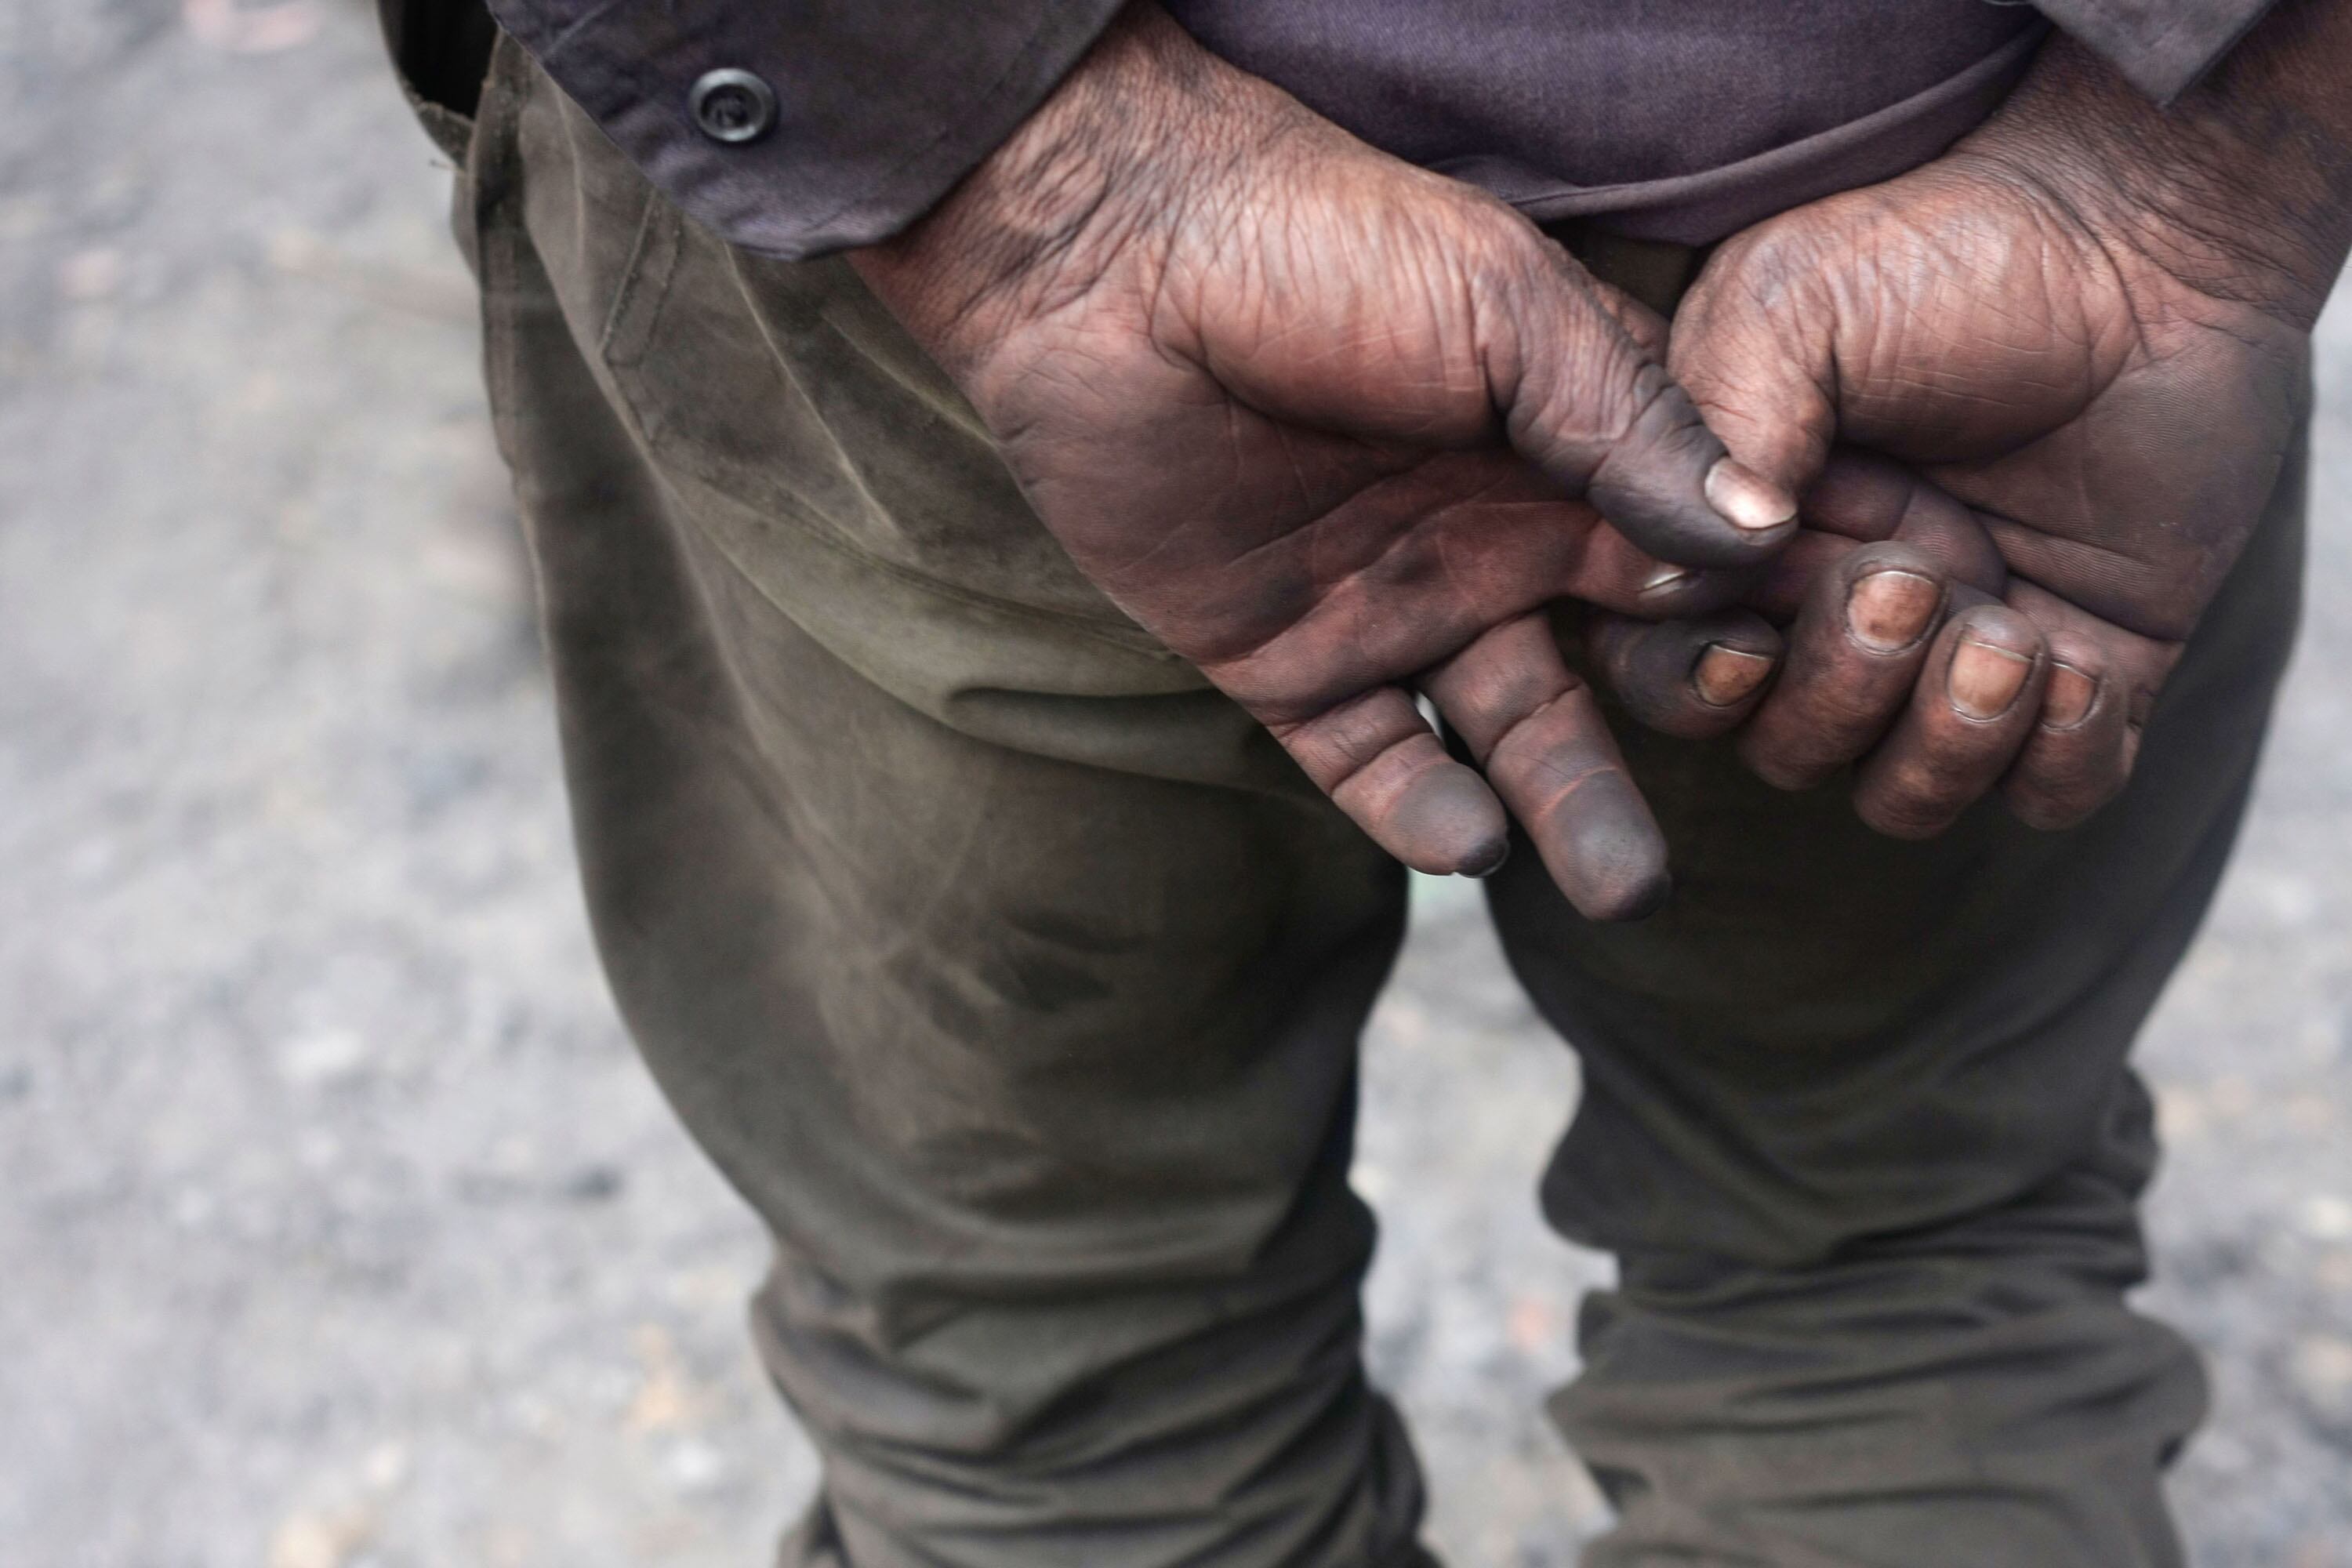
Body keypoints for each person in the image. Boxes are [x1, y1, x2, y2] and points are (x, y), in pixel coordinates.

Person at [376, 0, 2352, 1562]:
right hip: (1954, 177)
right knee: (1900, 1276)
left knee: (1064, 1391)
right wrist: (2202, 177)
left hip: (917, 253)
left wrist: (1030, 179)